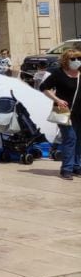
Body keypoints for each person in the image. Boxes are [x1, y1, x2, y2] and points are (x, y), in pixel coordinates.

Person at [39, 48, 81, 179]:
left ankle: (77, 166)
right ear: (65, 61)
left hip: (80, 112)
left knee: (79, 140)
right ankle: (66, 169)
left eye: (79, 58)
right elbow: (44, 87)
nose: (77, 61)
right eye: (73, 59)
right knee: (70, 139)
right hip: (63, 111)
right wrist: (57, 100)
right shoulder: (58, 74)